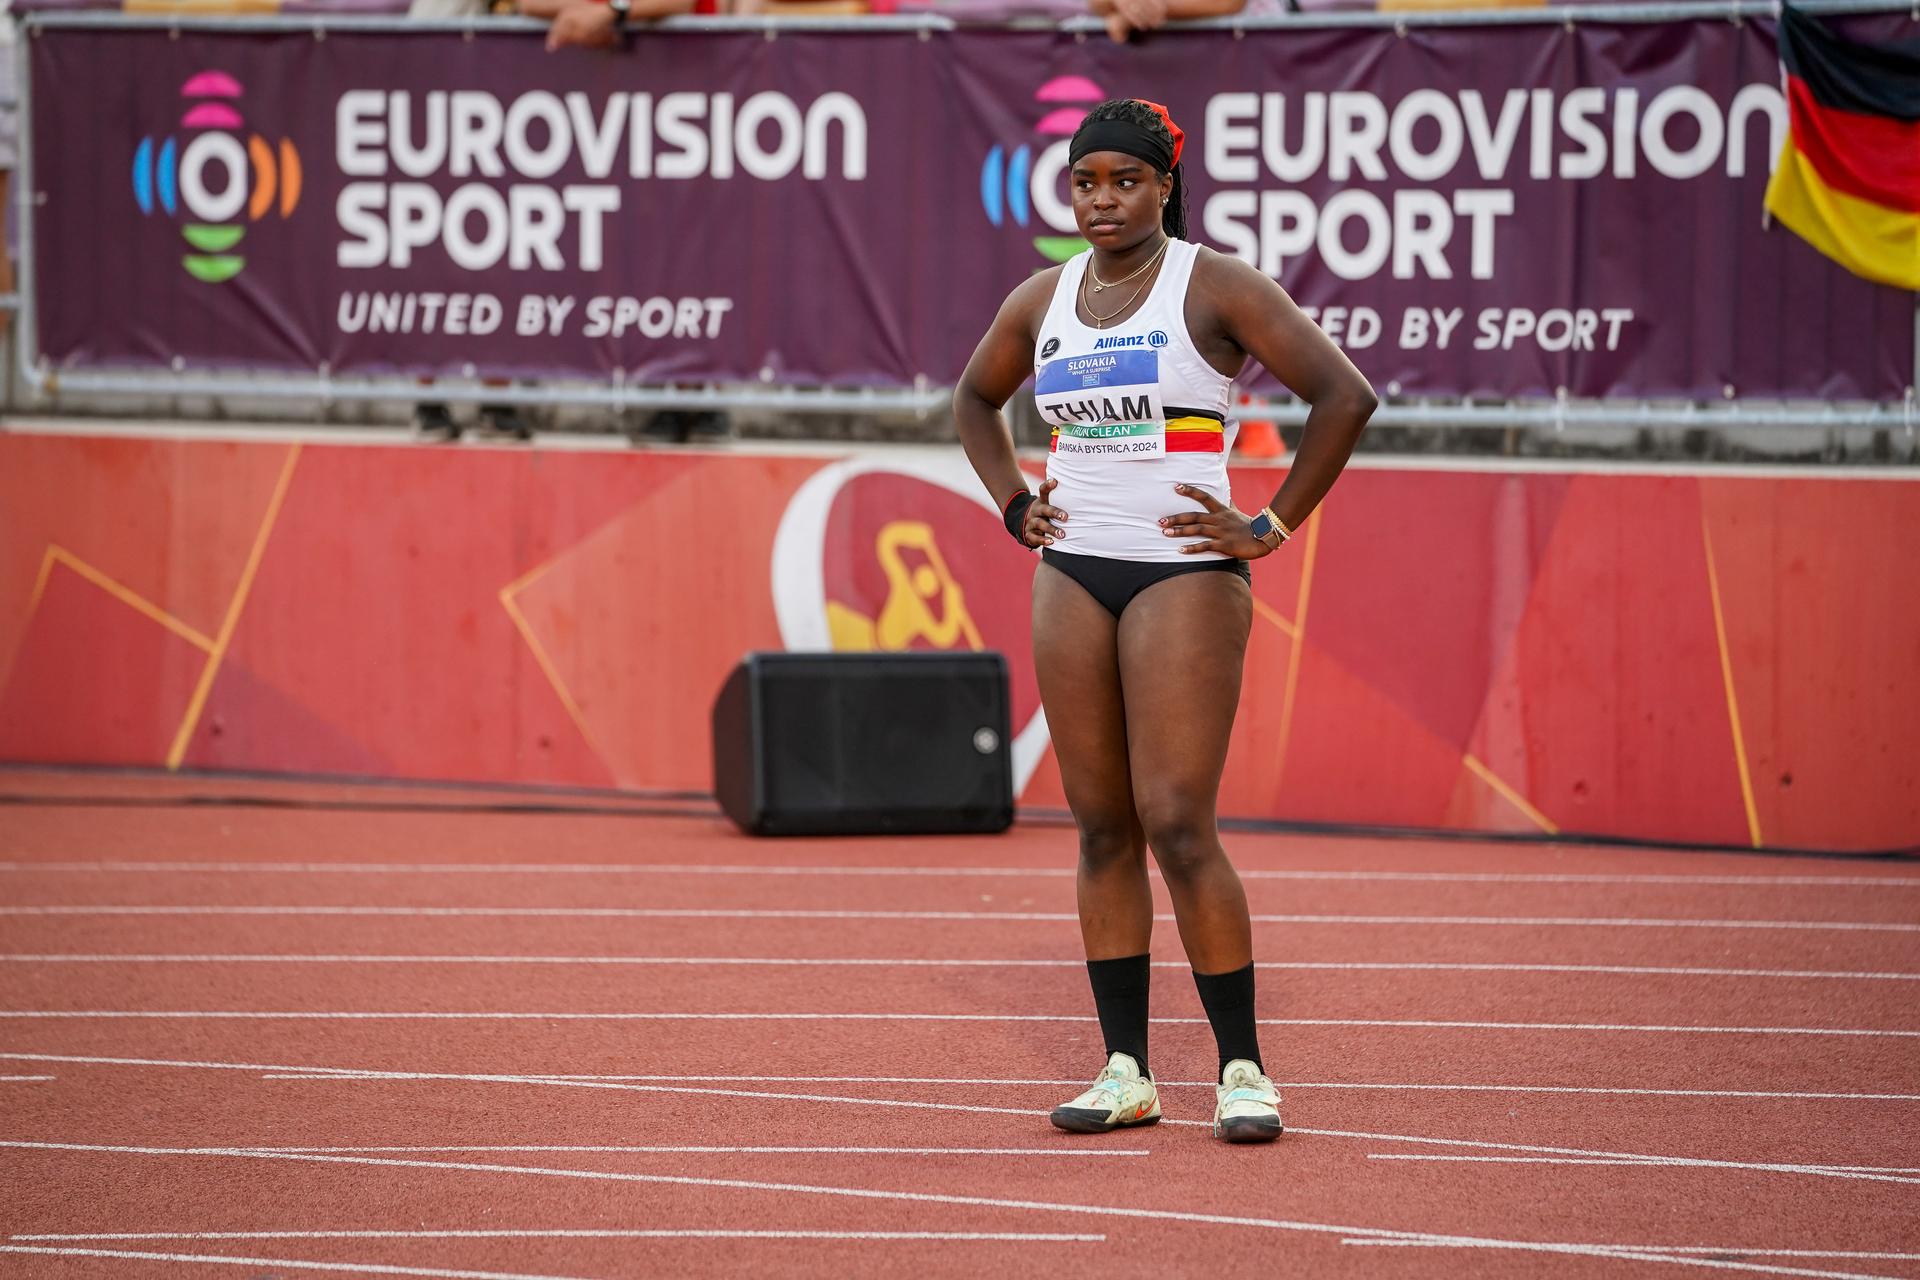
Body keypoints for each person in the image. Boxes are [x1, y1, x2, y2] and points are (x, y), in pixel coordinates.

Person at [952, 98, 1375, 1143]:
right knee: (1101, 826)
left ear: (1164, 186)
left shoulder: (1214, 282)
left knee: (1179, 821)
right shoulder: (1042, 297)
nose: (1103, 200)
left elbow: (1345, 395)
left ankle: (1242, 1069)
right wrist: (1014, 500)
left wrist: (1269, 523)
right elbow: (973, 399)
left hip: (1182, 572)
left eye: (1125, 181)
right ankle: (1126, 1068)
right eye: (1086, 181)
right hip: (1072, 569)